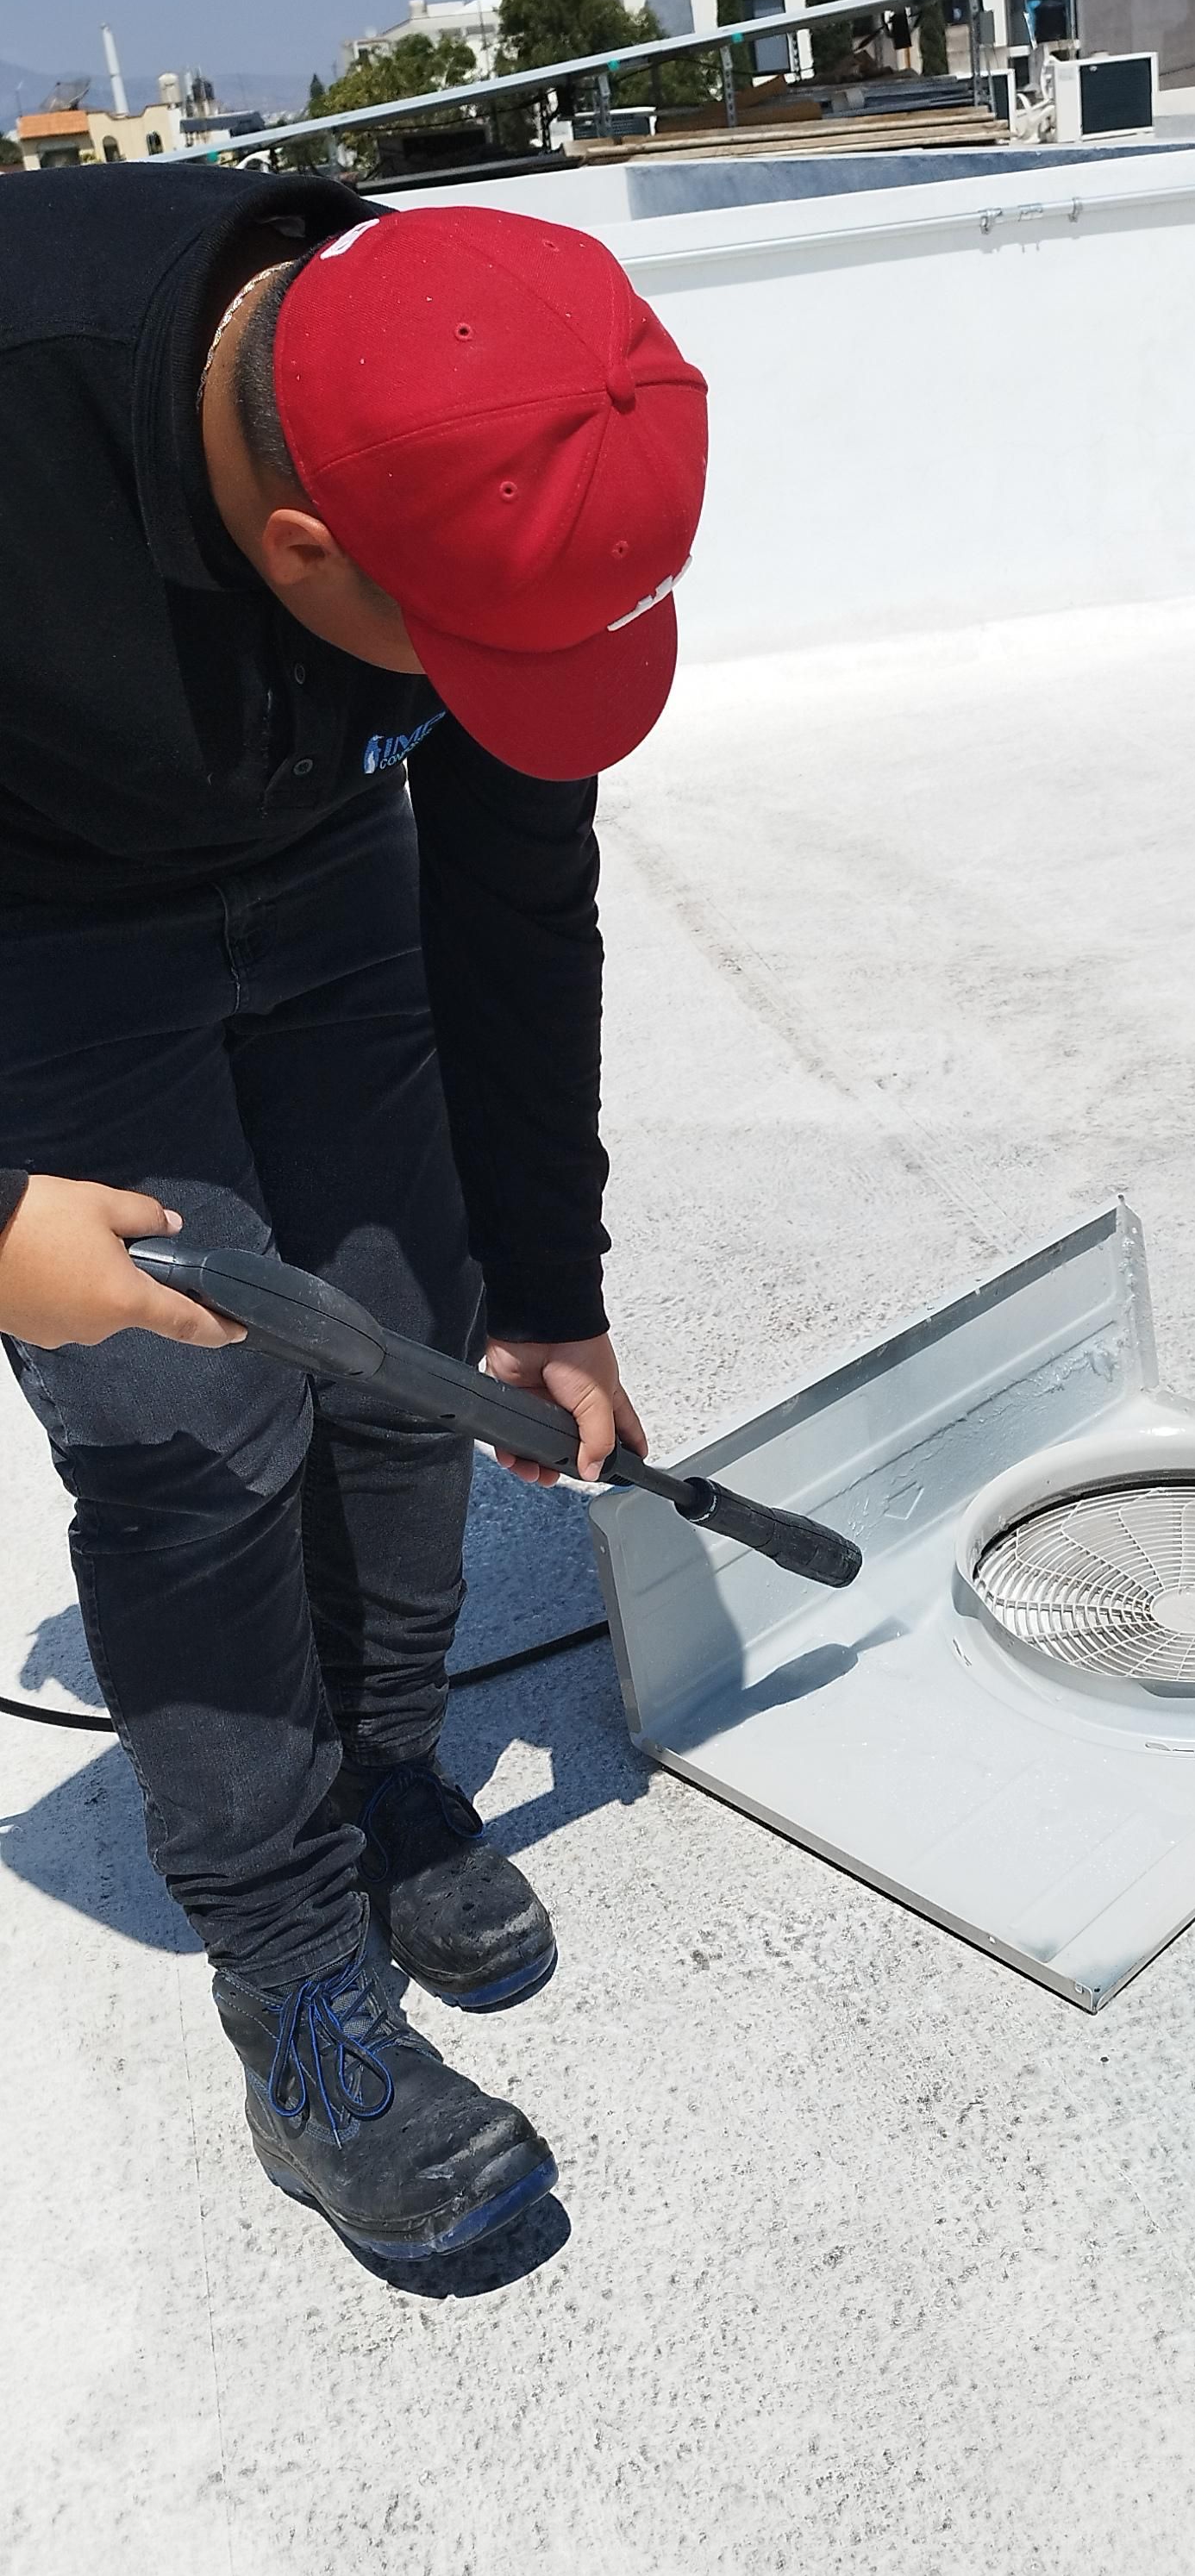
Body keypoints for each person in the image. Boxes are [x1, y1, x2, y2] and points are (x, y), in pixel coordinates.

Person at [0, 168, 707, 2263]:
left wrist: (556, 1291)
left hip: (323, 878)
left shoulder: (483, 393)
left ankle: (387, 1770)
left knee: (422, 1353)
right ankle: (298, 1979)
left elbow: (512, 894)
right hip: (38, 935)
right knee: (193, 1448)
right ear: (300, 542)